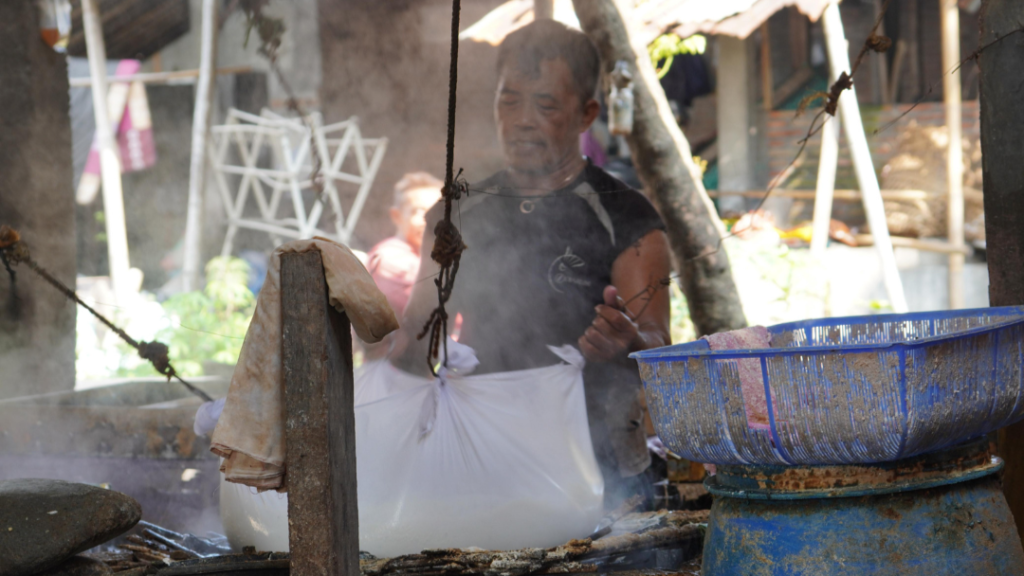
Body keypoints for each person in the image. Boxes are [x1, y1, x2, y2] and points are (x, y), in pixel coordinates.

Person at [394, 19, 671, 507]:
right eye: (509, 100)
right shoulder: (459, 213)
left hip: (602, 465)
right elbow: (418, 336)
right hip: (485, 457)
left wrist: (628, 340)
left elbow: (659, 347)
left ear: (587, 114)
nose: (522, 119)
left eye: (545, 105)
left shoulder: (625, 216)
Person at [366, 172, 444, 316]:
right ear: (396, 216)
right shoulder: (389, 259)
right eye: (419, 212)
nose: (431, 220)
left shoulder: (427, 256)